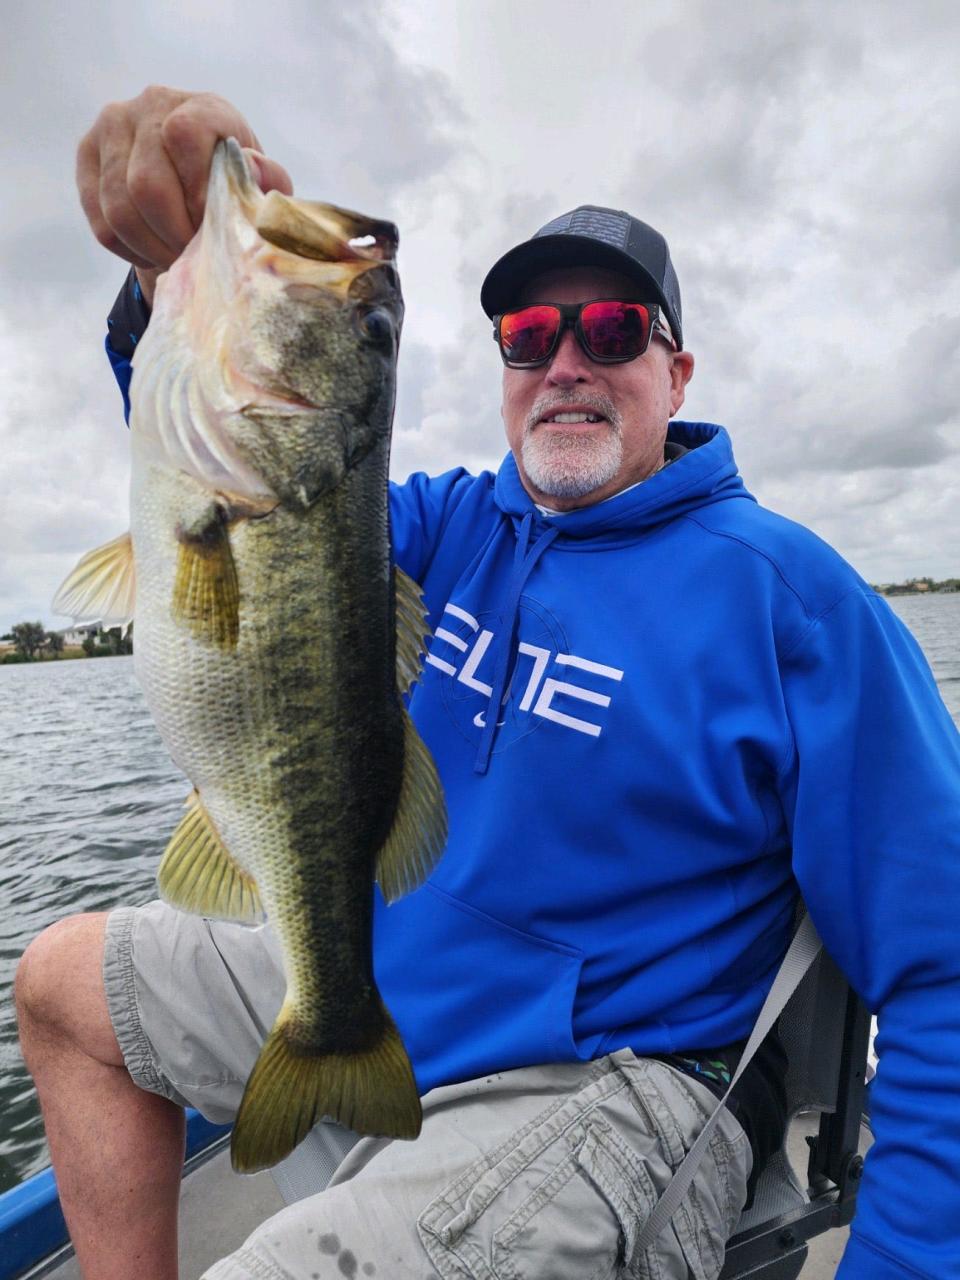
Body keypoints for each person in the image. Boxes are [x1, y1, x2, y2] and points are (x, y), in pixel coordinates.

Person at [15, 86, 960, 1280]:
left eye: (611, 329)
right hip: (377, 970)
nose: (566, 360)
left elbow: (946, 965)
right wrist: (175, 284)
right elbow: (244, 516)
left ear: (676, 369)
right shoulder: (446, 524)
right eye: (529, 333)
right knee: (58, 987)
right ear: (506, 364)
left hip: (608, 1081)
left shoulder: (796, 601)